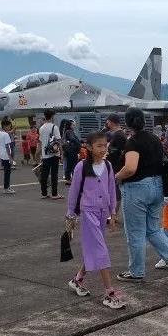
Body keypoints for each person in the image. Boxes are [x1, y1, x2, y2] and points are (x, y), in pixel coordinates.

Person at [114, 107, 168, 283]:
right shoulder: (154, 139)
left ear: (128, 122)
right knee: (153, 229)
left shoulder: (133, 142)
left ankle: (136, 271)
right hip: (158, 187)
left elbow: (131, 168)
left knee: (135, 233)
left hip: (137, 190)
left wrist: (114, 177)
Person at [65, 131, 124, 309]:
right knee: (100, 250)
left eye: (105, 145)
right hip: (88, 212)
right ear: (89, 147)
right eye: (99, 145)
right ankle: (109, 292)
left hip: (101, 213)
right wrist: (70, 215)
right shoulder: (81, 167)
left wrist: (112, 213)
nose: (103, 148)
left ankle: (77, 280)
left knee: (94, 249)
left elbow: (112, 190)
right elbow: (73, 192)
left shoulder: (108, 165)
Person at [38, 110, 63, 199]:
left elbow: (40, 142)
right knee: (54, 174)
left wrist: (40, 154)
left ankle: (44, 193)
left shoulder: (41, 128)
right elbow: (59, 141)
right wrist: (62, 154)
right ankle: (54, 193)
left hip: (45, 154)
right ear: (52, 116)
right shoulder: (54, 127)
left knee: (44, 174)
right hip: (54, 154)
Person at [0, 118, 16, 194]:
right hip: (6, 156)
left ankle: (7, 187)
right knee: (7, 173)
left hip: (2, 155)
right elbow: (7, 147)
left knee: (6, 172)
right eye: (9, 126)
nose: (9, 127)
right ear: (5, 126)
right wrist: (10, 158)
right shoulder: (6, 134)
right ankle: (6, 188)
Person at [61, 119, 81, 185]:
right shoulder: (69, 132)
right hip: (71, 151)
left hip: (70, 151)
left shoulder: (67, 131)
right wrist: (78, 142)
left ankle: (69, 179)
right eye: (73, 125)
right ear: (70, 125)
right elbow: (72, 139)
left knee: (70, 165)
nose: (74, 126)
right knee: (72, 165)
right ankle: (69, 179)